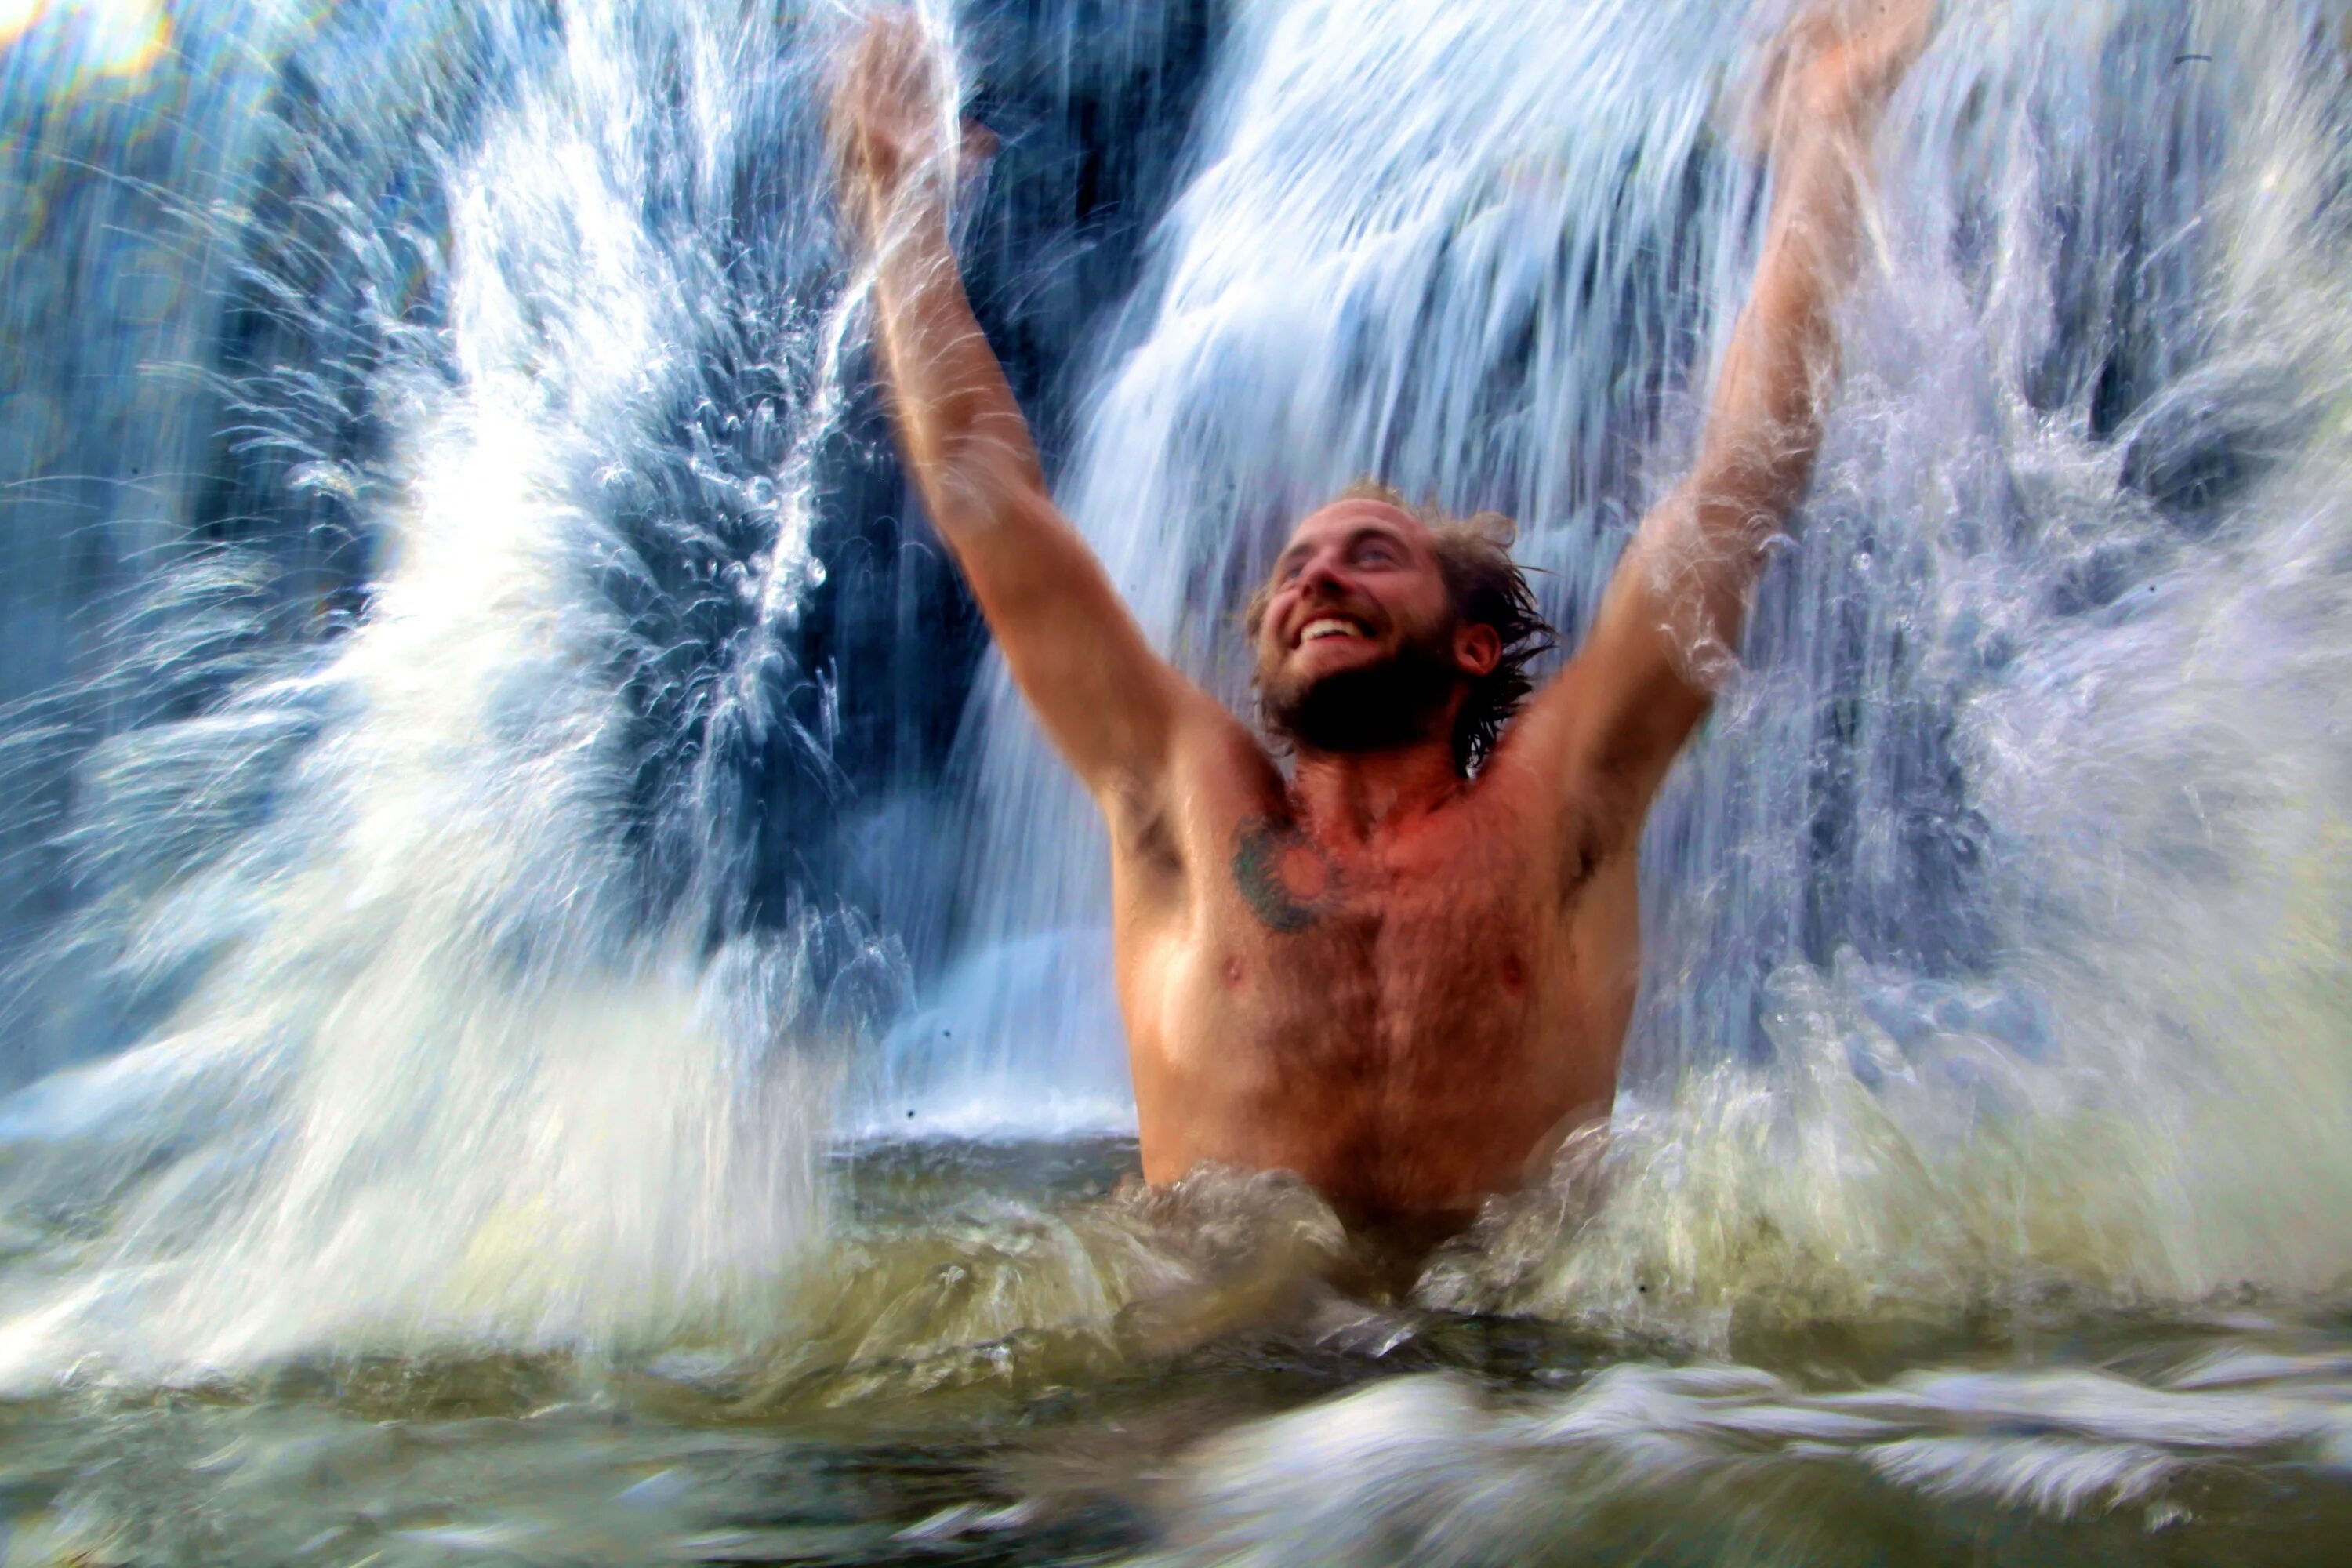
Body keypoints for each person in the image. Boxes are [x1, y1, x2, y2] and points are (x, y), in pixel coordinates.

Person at [833, 1, 1935, 1234]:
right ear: (1263, 651)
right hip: (1217, 1377)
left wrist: (1829, 130)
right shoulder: (1182, 790)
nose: (1317, 577)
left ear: (1475, 646)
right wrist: (897, 206)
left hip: (1506, 1390)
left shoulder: (1564, 800)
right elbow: (988, 497)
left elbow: (1741, 482)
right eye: (1299, 569)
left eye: (1372, 556)